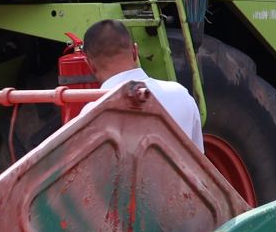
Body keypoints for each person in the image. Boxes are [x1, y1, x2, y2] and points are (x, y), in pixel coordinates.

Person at [82, 19, 202, 150]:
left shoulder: (92, 114)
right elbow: (199, 160)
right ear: (134, 51)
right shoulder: (180, 94)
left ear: (90, 65)